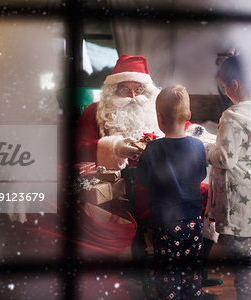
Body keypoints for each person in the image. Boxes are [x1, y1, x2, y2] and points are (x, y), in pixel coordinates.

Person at [75, 55, 209, 258]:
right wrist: (116, 148)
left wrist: (206, 140)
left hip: (159, 179)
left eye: (138, 89)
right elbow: (80, 148)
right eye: (124, 89)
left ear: (146, 90)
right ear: (114, 90)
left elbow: (185, 127)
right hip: (124, 183)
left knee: (206, 191)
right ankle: (184, 263)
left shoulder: (155, 108)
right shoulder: (96, 112)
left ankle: (189, 258)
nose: (133, 96)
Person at [205, 52, 251, 300]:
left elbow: (225, 158)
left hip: (236, 192)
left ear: (235, 85)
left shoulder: (232, 116)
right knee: (245, 246)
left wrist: (206, 149)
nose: (225, 92)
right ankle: (249, 290)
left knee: (239, 254)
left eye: (225, 87)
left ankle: (246, 294)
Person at [136, 85, 206, 299]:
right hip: (193, 218)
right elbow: (201, 175)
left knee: (168, 271)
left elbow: (142, 179)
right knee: (191, 267)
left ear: (160, 118)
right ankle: (193, 295)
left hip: (166, 221)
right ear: (189, 116)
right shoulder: (198, 146)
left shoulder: (153, 149)